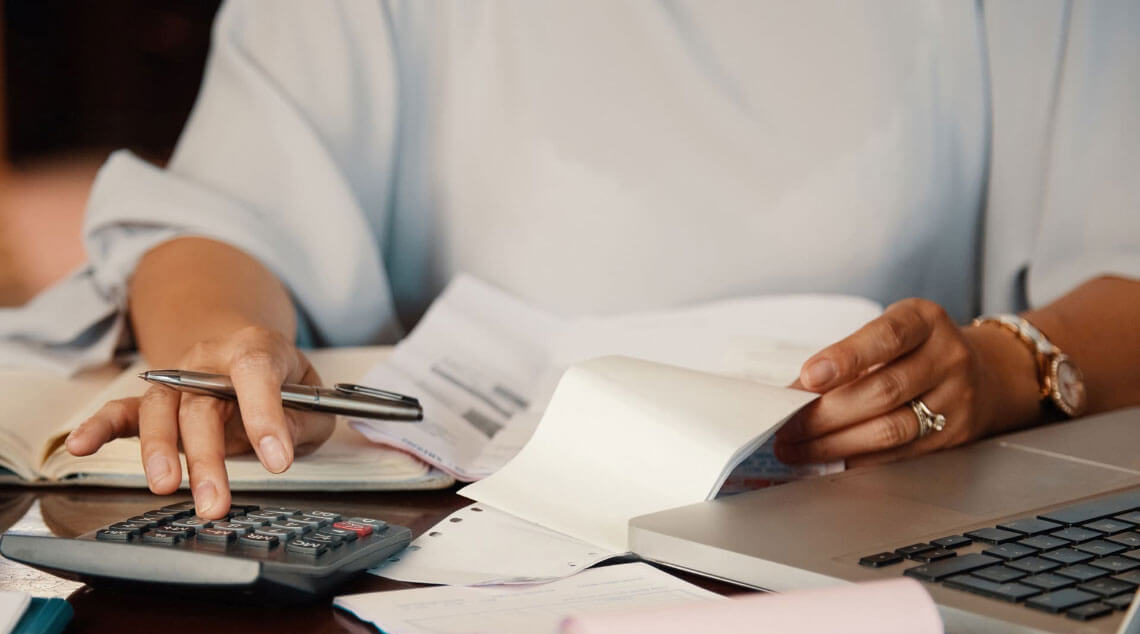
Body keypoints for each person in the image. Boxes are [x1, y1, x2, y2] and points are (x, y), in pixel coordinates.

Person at [62, 1, 1140, 520]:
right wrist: (223, 345)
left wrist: (1001, 370)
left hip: (882, 537)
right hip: (478, 547)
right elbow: (218, 217)